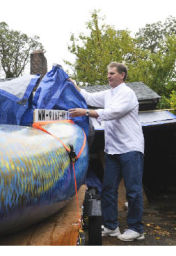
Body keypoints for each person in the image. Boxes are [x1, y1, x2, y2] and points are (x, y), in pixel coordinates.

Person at [68, 62, 145, 242]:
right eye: (108, 73)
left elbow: (113, 112)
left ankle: (136, 228)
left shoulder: (128, 94)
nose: (108, 76)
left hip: (130, 148)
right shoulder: (108, 94)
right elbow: (88, 96)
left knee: (133, 190)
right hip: (112, 150)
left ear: (122, 75)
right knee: (108, 189)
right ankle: (111, 226)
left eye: (112, 73)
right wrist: (73, 84)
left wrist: (85, 112)